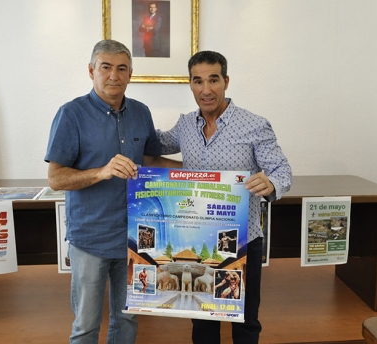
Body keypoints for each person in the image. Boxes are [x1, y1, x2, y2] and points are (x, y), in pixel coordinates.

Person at [156, 50, 292, 344]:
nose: (206, 90)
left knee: (244, 318)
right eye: (198, 81)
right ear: (190, 84)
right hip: (198, 241)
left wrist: (270, 182)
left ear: (226, 81)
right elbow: (156, 144)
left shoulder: (254, 125)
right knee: (203, 318)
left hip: (243, 240)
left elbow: (283, 171)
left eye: (213, 80)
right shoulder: (185, 126)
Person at [44, 39, 174, 344]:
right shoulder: (70, 114)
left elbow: (151, 160)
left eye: (122, 68)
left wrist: (202, 172)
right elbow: (56, 178)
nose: (113, 75)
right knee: (86, 325)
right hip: (90, 237)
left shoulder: (141, 112)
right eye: (106, 67)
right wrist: (102, 171)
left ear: (130, 74)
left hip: (135, 237)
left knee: (127, 320)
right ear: (91, 71)